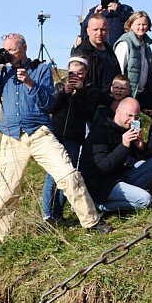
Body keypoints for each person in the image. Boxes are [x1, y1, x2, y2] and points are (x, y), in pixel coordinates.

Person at [0, 33, 110, 242]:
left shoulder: (41, 70)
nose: (8, 54)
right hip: (13, 137)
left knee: (69, 175)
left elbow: (49, 103)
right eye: (5, 50)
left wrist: (30, 83)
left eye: (12, 50)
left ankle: (92, 221)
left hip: (39, 133)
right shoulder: (3, 73)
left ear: (23, 49)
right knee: (7, 190)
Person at [41, 57, 111, 225]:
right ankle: (47, 214)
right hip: (56, 135)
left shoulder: (90, 90)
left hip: (74, 137)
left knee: (67, 175)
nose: (76, 76)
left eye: (80, 73)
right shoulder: (59, 86)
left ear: (85, 73)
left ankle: (58, 214)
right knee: (52, 175)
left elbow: (87, 112)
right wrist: (64, 93)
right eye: (72, 73)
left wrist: (79, 93)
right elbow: (51, 108)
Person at [79, 97, 152, 213]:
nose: (133, 120)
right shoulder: (100, 131)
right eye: (129, 115)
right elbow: (101, 167)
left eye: (136, 117)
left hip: (119, 176)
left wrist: (141, 147)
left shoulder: (127, 129)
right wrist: (123, 146)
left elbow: (145, 157)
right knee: (146, 200)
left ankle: (129, 196)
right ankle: (100, 207)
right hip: (99, 185)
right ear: (118, 111)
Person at [115, 11, 152, 115]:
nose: (141, 27)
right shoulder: (125, 43)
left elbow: (149, 71)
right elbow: (118, 69)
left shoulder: (146, 45)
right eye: (138, 24)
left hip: (143, 92)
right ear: (131, 25)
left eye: (144, 24)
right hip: (129, 92)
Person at [73, 13, 123, 95]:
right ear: (88, 31)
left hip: (113, 98)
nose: (99, 33)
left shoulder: (110, 51)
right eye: (95, 30)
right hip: (91, 102)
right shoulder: (80, 53)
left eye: (103, 29)